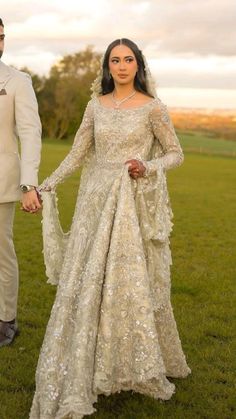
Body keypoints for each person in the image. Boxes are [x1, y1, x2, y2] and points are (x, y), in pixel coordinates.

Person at [30, 38, 190, 418]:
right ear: (107, 66)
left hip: (128, 203)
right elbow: (77, 153)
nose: (121, 66)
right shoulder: (94, 106)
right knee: (86, 280)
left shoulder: (153, 108)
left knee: (128, 281)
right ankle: (85, 359)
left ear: (138, 65)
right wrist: (45, 185)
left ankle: (132, 361)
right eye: (115, 60)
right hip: (93, 202)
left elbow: (175, 153)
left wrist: (147, 165)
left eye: (128, 60)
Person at [0, 18, 42, 348]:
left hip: (2, 182)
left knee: (2, 253)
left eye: (1, 37)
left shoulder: (17, 81)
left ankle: (6, 320)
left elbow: (30, 133)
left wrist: (29, 184)